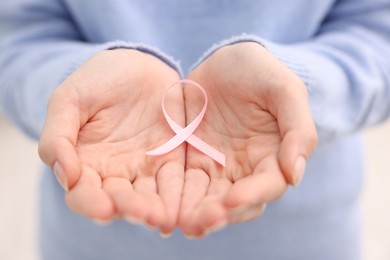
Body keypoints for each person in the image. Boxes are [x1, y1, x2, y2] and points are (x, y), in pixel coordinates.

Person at [0, 0, 389, 259]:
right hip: (93, 238)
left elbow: (378, 34)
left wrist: (297, 89)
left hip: (304, 239)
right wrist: (70, 94)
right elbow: (15, 37)